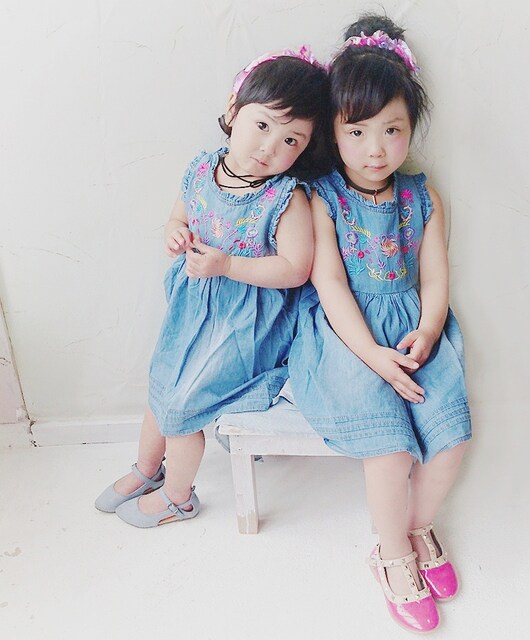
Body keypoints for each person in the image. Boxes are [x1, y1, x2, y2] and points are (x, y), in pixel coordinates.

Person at [288, 15, 472, 633]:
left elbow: (436, 277)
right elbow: (329, 285)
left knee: (451, 437)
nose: (375, 149)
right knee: (390, 451)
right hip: (345, 337)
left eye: (392, 130)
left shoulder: (423, 196)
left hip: (412, 326)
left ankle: (414, 527)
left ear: (411, 127)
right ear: (334, 133)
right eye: (357, 131)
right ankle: (392, 556)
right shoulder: (322, 197)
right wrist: (372, 355)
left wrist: (429, 329)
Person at [95, 46, 329, 528]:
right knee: (161, 383)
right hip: (193, 308)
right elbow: (179, 215)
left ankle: (179, 497)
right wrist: (175, 233)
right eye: (262, 125)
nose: (269, 147)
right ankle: (148, 469)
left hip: (245, 322)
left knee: (183, 405)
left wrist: (228, 265)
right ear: (233, 109)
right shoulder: (204, 169)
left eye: (290, 140)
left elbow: (295, 269)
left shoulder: (286, 199)